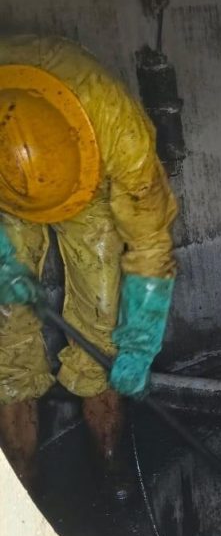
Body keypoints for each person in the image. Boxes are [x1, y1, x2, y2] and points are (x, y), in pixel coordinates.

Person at [0, 35, 177, 492]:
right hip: (7, 189)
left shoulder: (120, 131)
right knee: (5, 327)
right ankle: (24, 486)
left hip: (88, 180)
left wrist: (138, 342)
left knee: (102, 320)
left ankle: (111, 469)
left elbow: (150, 243)